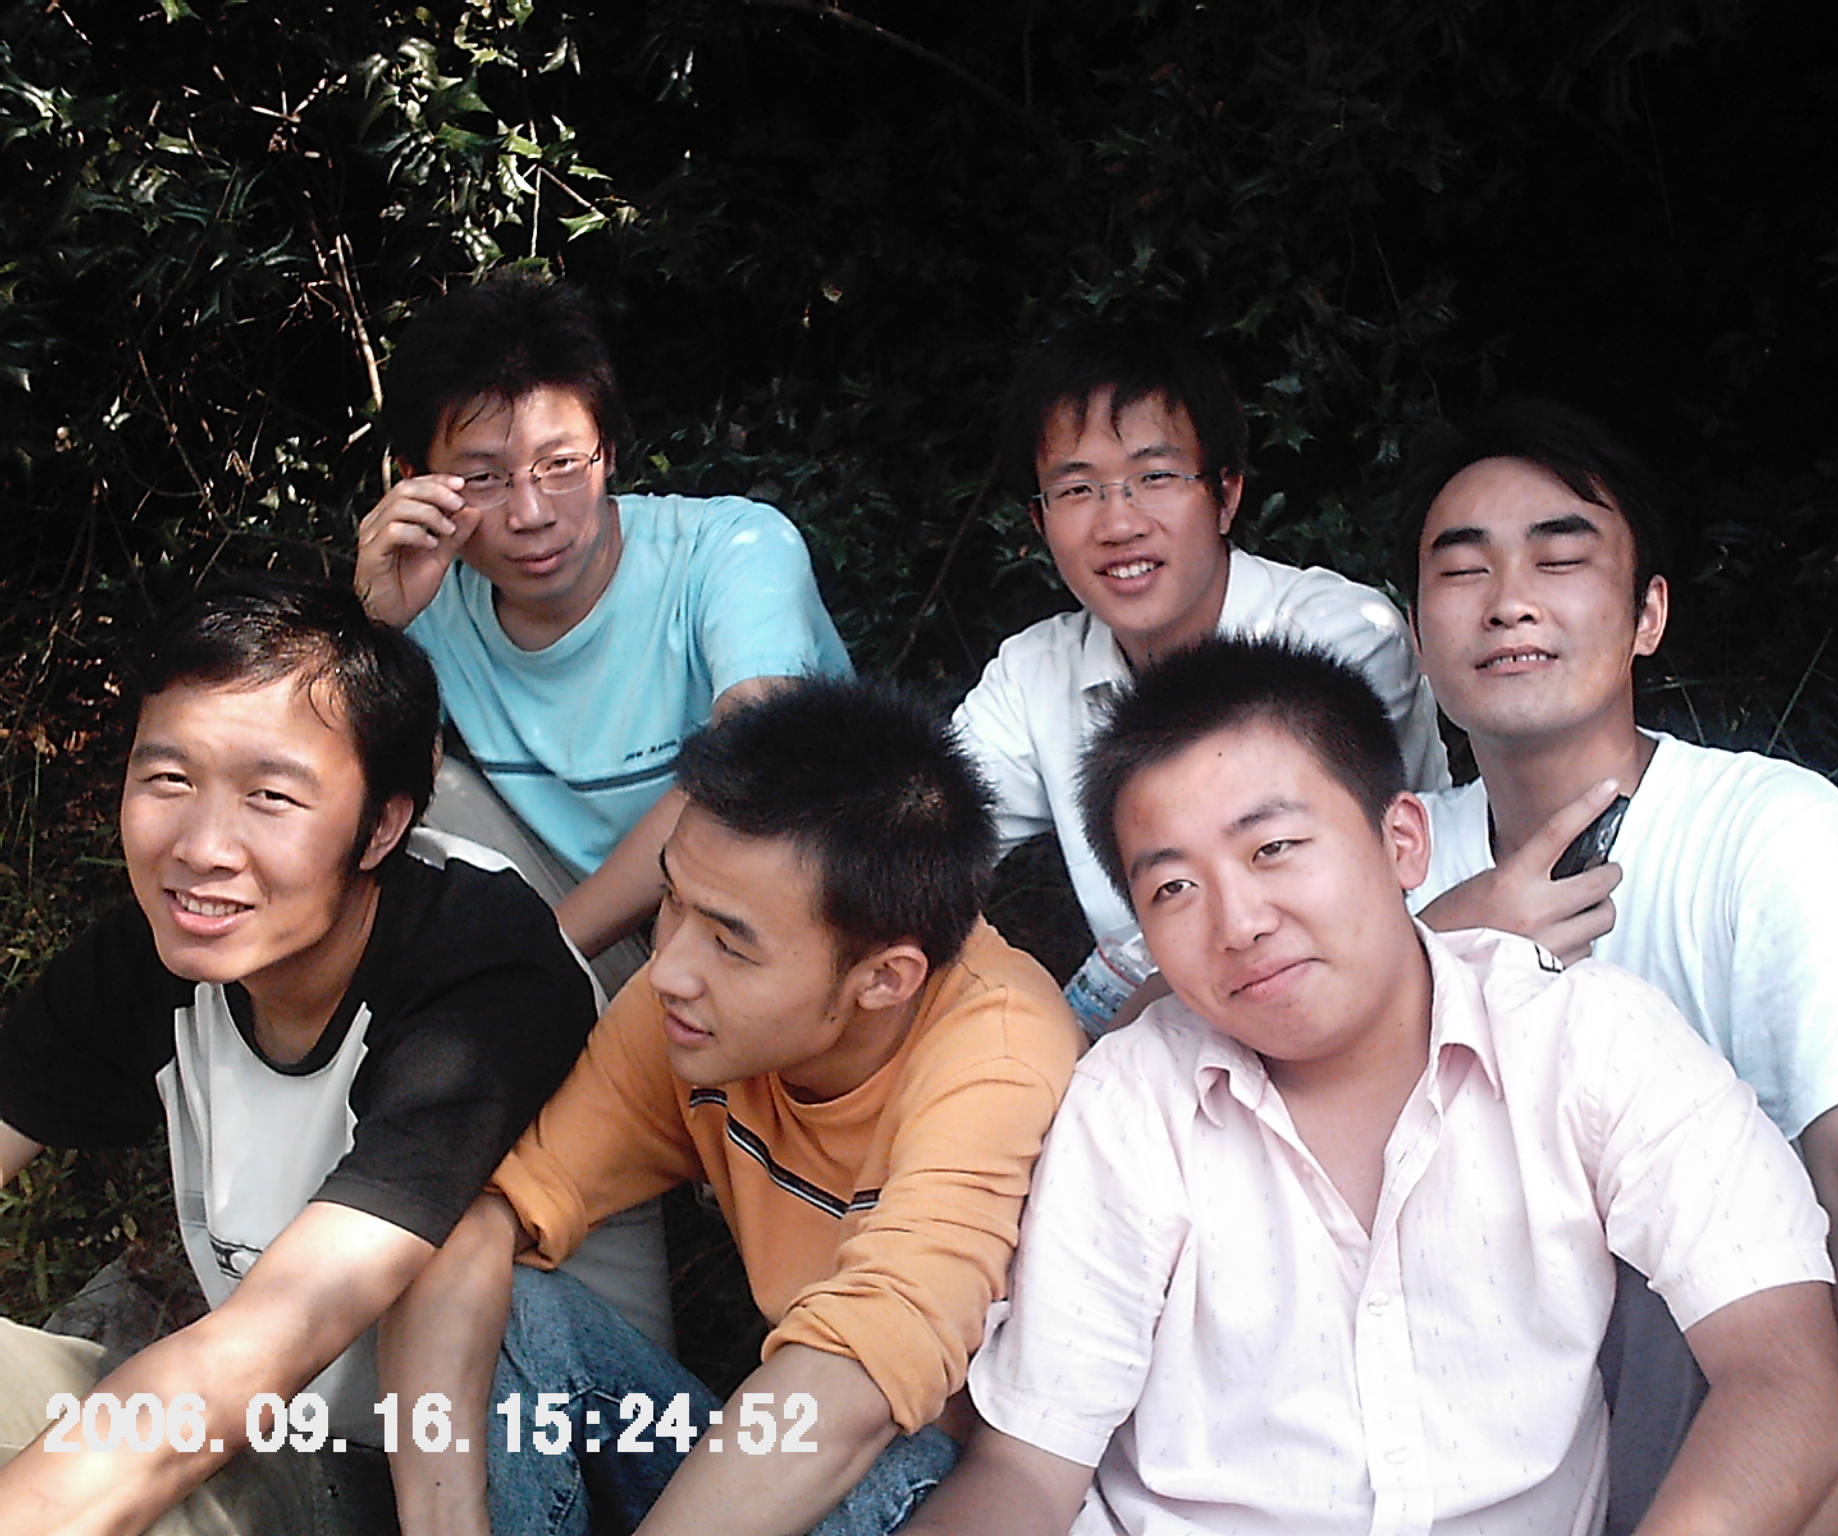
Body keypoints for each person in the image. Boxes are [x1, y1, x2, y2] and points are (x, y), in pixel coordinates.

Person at [907, 635, 1838, 1536]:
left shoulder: (1590, 1042)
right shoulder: (1130, 1101)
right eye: (1174, 889)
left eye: (1273, 848)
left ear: (1403, 840)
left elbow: (1786, 1376)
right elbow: (1030, 1467)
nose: (1239, 923)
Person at [1399, 398, 1838, 1536]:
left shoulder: (1767, 829)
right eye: (1462, 570)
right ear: (1416, 633)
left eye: (1559, 559)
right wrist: (1446, 934)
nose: (1508, 600)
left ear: (1647, 614)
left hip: (1734, 1382)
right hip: (1461, 1392)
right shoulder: (1387, 863)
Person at [379, 676, 1081, 1536]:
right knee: (497, 1296)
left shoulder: (998, 1056)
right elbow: (492, 1212)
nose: (669, 968)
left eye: (731, 944)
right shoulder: (687, 1005)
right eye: (672, 900)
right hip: (774, 1442)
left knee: (895, 1455)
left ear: (884, 978)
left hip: (931, 1488)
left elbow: (864, 1367)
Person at [0, 574, 605, 1534]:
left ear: (383, 825)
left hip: (458, 1479)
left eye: (270, 797)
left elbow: (267, 1342)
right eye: (169, 780)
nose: (203, 846)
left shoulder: (483, 969)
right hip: (263, 1424)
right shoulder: (170, 946)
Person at [353, 273, 852, 988]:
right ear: (417, 480)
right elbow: (325, 801)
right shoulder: (428, 596)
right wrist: (374, 625)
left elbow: (755, 766)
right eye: (485, 479)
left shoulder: (732, 550)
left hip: (789, 941)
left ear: (608, 450)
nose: (531, 514)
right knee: (422, 788)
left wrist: (540, 957)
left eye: (560, 465)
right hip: (599, 952)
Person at [952, 319, 1449, 966]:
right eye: (1076, 490)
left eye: (1156, 477)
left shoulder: (1337, 637)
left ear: (1226, 495)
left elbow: (1343, 909)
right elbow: (919, 838)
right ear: (1039, 522)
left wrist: (1115, 1003)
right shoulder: (1033, 675)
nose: (1119, 523)